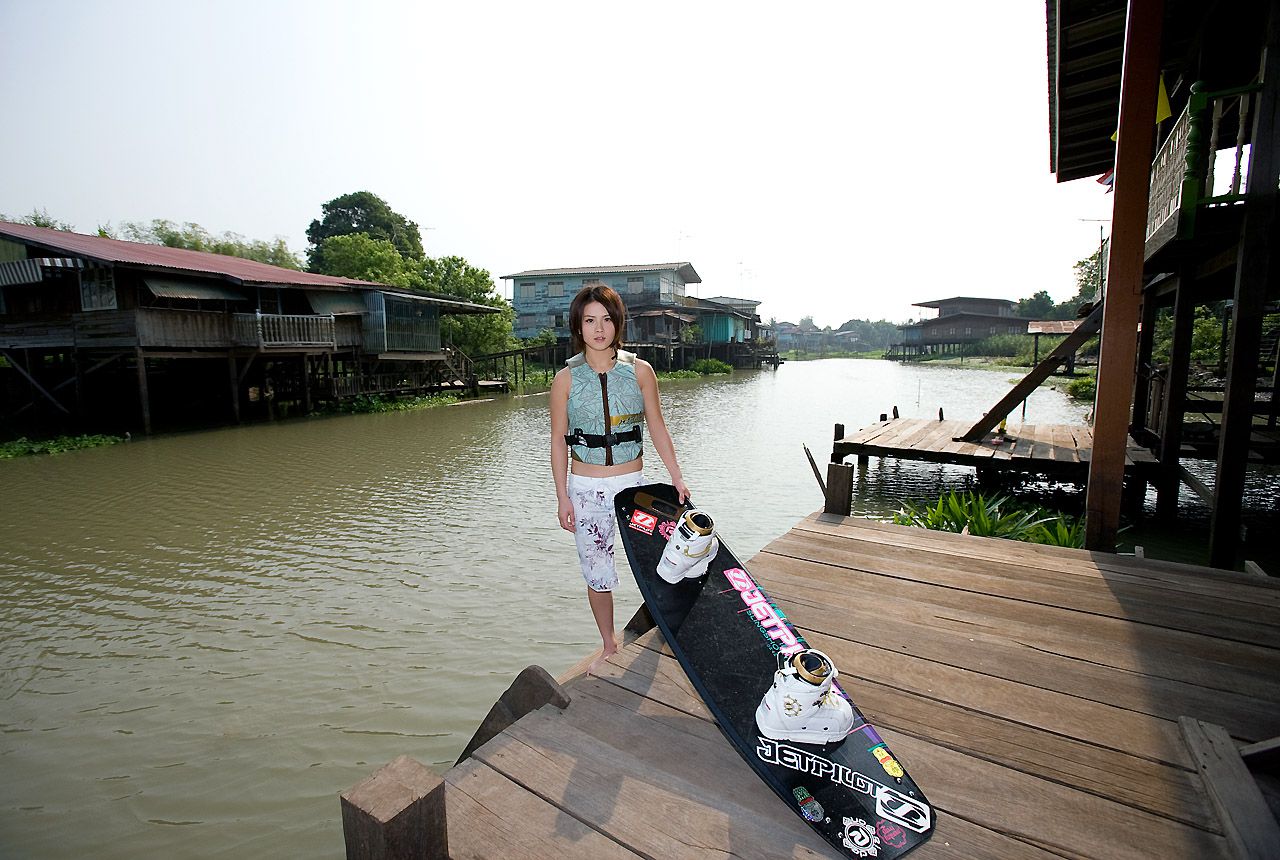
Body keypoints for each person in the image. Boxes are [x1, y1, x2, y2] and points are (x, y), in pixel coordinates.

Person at [550, 284, 690, 675]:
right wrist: (562, 498)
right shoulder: (565, 379)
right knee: (598, 572)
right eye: (590, 320)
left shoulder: (640, 371)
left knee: (661, 560)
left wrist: (676, 476)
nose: (599, 329)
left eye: (607, 320)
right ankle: (610, 643)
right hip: (587, 489)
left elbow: (658, 428)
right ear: (578, 326)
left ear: (618, 323)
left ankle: (672, 625)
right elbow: (558, 443)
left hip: (634, 488)